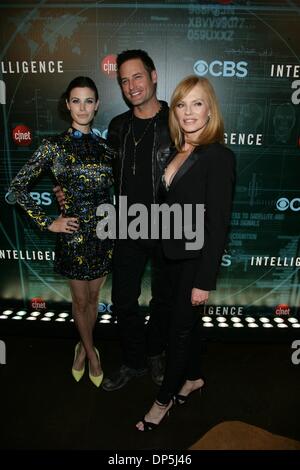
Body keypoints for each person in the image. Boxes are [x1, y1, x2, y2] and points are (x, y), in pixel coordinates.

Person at [136, 75, 235, 431]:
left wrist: (204, 281)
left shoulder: (219, 157)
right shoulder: (178, 151)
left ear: (210, 111)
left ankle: (162, 403)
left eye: (197, 104)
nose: (188, 112)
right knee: (187, 328)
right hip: (168, 259)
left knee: (178, 332)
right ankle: (193, 378)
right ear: (174, 112)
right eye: (181, 105)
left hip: (195, 263)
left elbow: (219, 225)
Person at [9, 76, 114, 388]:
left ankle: (83, 346)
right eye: (76, 100)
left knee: (95, 297)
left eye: (89, 101)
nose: (82, 107)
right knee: (80, 302)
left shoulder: (107, 148)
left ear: (97, 106)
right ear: (67, 104)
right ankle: (92, 356)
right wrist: (48, 222)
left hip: (105, 235)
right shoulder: (52, 146)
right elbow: (17, 188)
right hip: (73, 237)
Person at [102, 49, 173, 391]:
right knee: (123, 300)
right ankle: (133, 361)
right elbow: (104, 173)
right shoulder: (118, 126)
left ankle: (156, 352)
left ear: (154, 75)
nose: (131, 86)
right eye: (124, 80)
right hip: (127, 224)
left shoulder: (175, 122)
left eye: (138, 77)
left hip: (167, 223)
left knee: (164, 298)